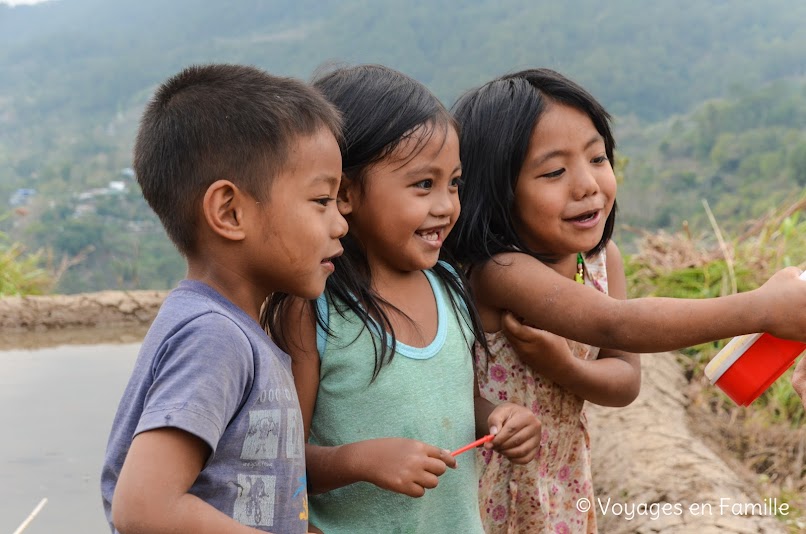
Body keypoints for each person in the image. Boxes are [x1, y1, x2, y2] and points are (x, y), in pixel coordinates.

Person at [446, 68, 806, 533]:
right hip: (491, 491)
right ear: (497, 189)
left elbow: (624, 381)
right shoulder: (500, 271)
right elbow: (615, 325)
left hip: (562, 481)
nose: (587, 184)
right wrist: (763, 308)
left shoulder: (598, 261)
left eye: (597, 159)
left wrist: (566, 369)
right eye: (554, 171)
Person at [262, 64, 541, 534]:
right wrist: (359, 461)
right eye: (423, 184)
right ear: (345, 192)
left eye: (454, 183)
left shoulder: (450, 286)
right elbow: (280, 463)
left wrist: (497, 416)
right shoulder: (314, 309)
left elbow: (454, 398)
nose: (446, 205)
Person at [100, 63, 347, 534]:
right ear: (230, 212)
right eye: (322, 200)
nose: (340, 224)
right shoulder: (214, 337)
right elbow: (143, 508)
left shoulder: (236, 332)